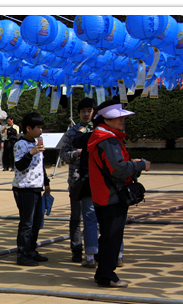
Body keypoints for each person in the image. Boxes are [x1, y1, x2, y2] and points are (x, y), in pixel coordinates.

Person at [88, 101, 150, 288]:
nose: (122, 120)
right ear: (107, 119)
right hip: (111, 195)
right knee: (112, 236)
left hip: (103, 194)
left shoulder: (100, 137)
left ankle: (103, 273)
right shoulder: (108, 140)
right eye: (118, 117)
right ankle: (107, 275)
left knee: (107, 235)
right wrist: (140, 165)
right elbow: (118, 169)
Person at [59, 98, 97, 263]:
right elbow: (63, 156)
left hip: (96, 180)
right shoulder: (72, 132)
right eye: (83, 111)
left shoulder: (99, 130)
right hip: (77, 180)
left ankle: (94, 249)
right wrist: (78, 153)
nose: (86, 114)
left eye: (89, 111)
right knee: (76, 216)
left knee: (95, 216)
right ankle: (76, 248)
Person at [13, 112, 51, 266]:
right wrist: (31, 153)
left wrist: (46, 182)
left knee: (36, 222)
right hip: (24, 188)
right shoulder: (20, 144)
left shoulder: (37, 144)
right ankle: (22, 253)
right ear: (28, 128)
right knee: (26, 223)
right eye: (38, 127)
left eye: (42, 127)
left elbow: (41, 166)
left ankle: (31, 250)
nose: (41, 130)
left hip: (36, 187)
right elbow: (20, 165)